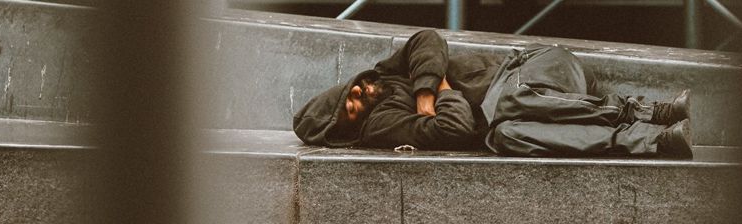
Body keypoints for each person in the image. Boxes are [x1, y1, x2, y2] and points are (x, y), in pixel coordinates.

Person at [293, 30, 692, 158]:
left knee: (509, 102)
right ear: (349, 126)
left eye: (351, 89)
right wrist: (444, 85)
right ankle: (654, 140)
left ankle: (645, 110)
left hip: (540, 64)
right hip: (523, 111)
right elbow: (456, 126)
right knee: (506, 136)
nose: (360, 91)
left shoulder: (386, 72)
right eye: (353, 104)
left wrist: (426, 92)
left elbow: (427, 38)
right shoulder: (382, 125)